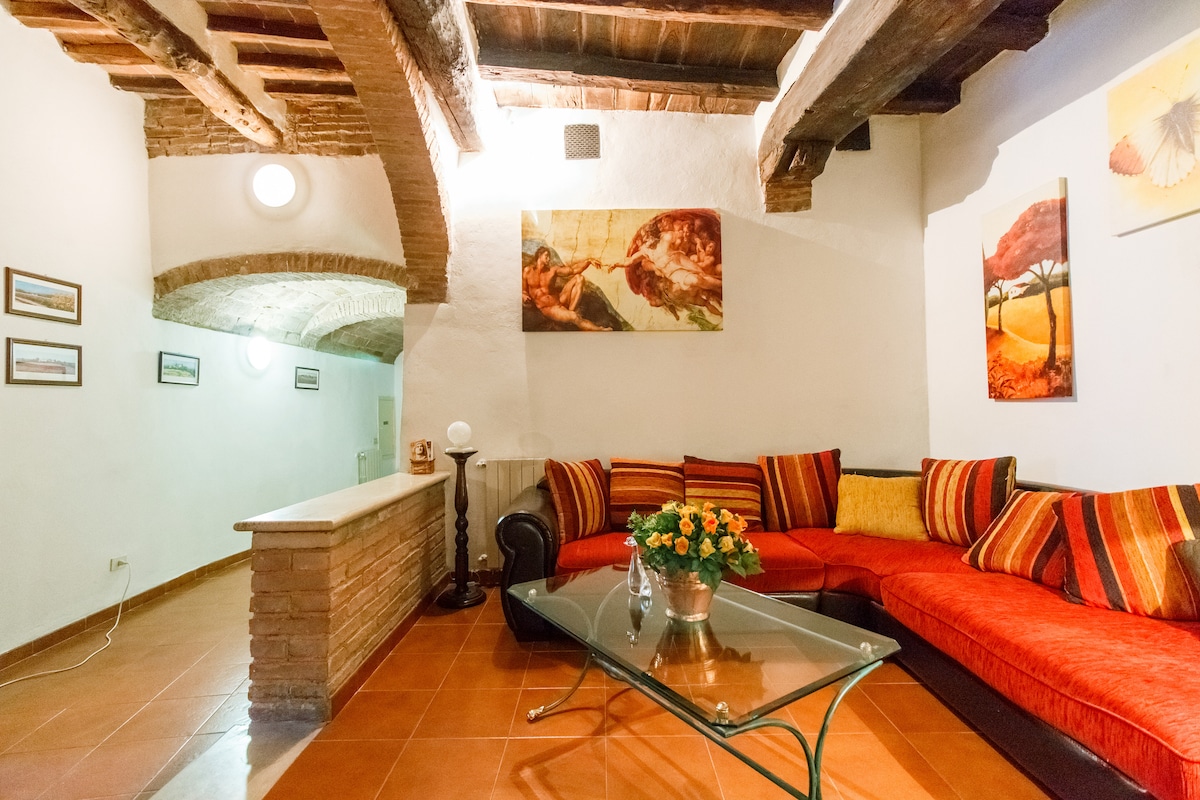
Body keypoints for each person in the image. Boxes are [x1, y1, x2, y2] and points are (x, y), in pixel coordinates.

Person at [522, 246, 611, 331]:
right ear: (539, 255)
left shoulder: (552, 271)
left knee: (579, 278)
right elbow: (523, 290)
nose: (548, 259)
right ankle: (599, 329)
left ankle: (571, 310)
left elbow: (573, 270)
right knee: (574, 317)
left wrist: (588, 261)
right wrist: (524, 295)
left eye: (549, 256)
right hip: (549, 308)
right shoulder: (527, 271)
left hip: (560, 299)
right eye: (546, 256)